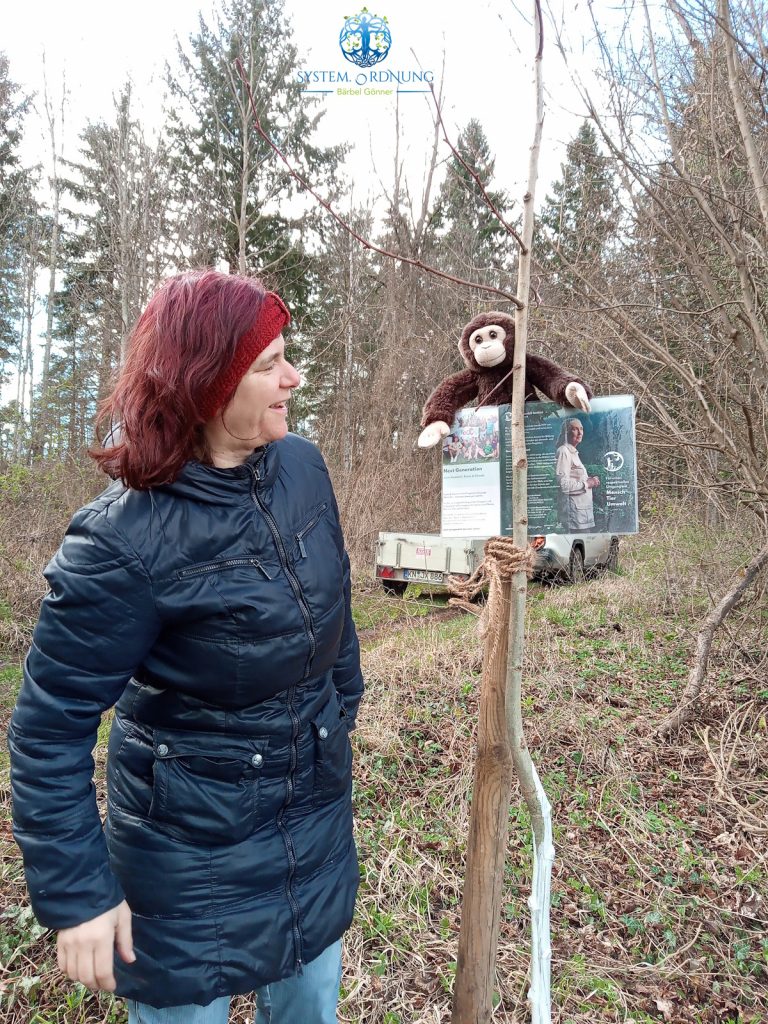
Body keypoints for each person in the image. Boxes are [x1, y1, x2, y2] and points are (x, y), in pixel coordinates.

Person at [8, 270, 364, 1024]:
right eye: (269, 364)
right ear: (208, 387)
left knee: (310, 1006)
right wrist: (79, 895)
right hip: (186, 862)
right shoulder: (122, 541)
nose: (293, 377)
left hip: (312, 828)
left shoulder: (303, 467)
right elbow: (49, 730)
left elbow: (334, 601)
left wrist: (340, 709)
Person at [555, 417, 600, 531]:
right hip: (575, 518)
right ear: (566, 433)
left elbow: (575, 478)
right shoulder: (564, 451)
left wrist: (590, 480)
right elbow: (564, 485)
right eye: (575, 429)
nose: (580, 433)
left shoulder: (573, 452)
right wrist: (587, 484)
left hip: (582, 516)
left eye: (581, 429)